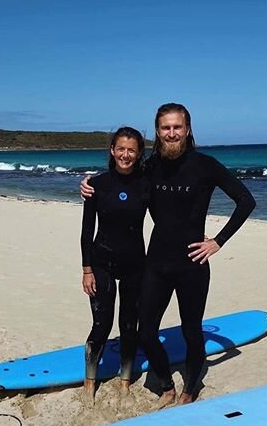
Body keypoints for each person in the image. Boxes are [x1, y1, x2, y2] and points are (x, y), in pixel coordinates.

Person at [82, 104, 256, 406]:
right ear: (158, 132)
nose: (172, 133)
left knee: (192, 331)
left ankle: (189, 391)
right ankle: (166, 386)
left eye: (177, 127)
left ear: (187, 130)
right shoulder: (150, 167)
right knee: (146, 333)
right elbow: (120, 177)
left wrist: (217, 241)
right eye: (165, 128)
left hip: (193, 264)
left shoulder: (206, 165)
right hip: (156, 263)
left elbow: (245, 201)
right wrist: (88, 186)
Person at [80, 127, 150, 402]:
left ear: (139, 153)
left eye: (131, 149)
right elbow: (87, 231)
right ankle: (90, 380)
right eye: (120, 148)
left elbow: (171, 213)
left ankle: (125, 379)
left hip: (135, 263)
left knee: (129, 324)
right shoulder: (97, 184)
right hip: (101, 262)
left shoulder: (146, 183)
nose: (125, 154)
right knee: (102, 324)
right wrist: (86, 270)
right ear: (112, 150)